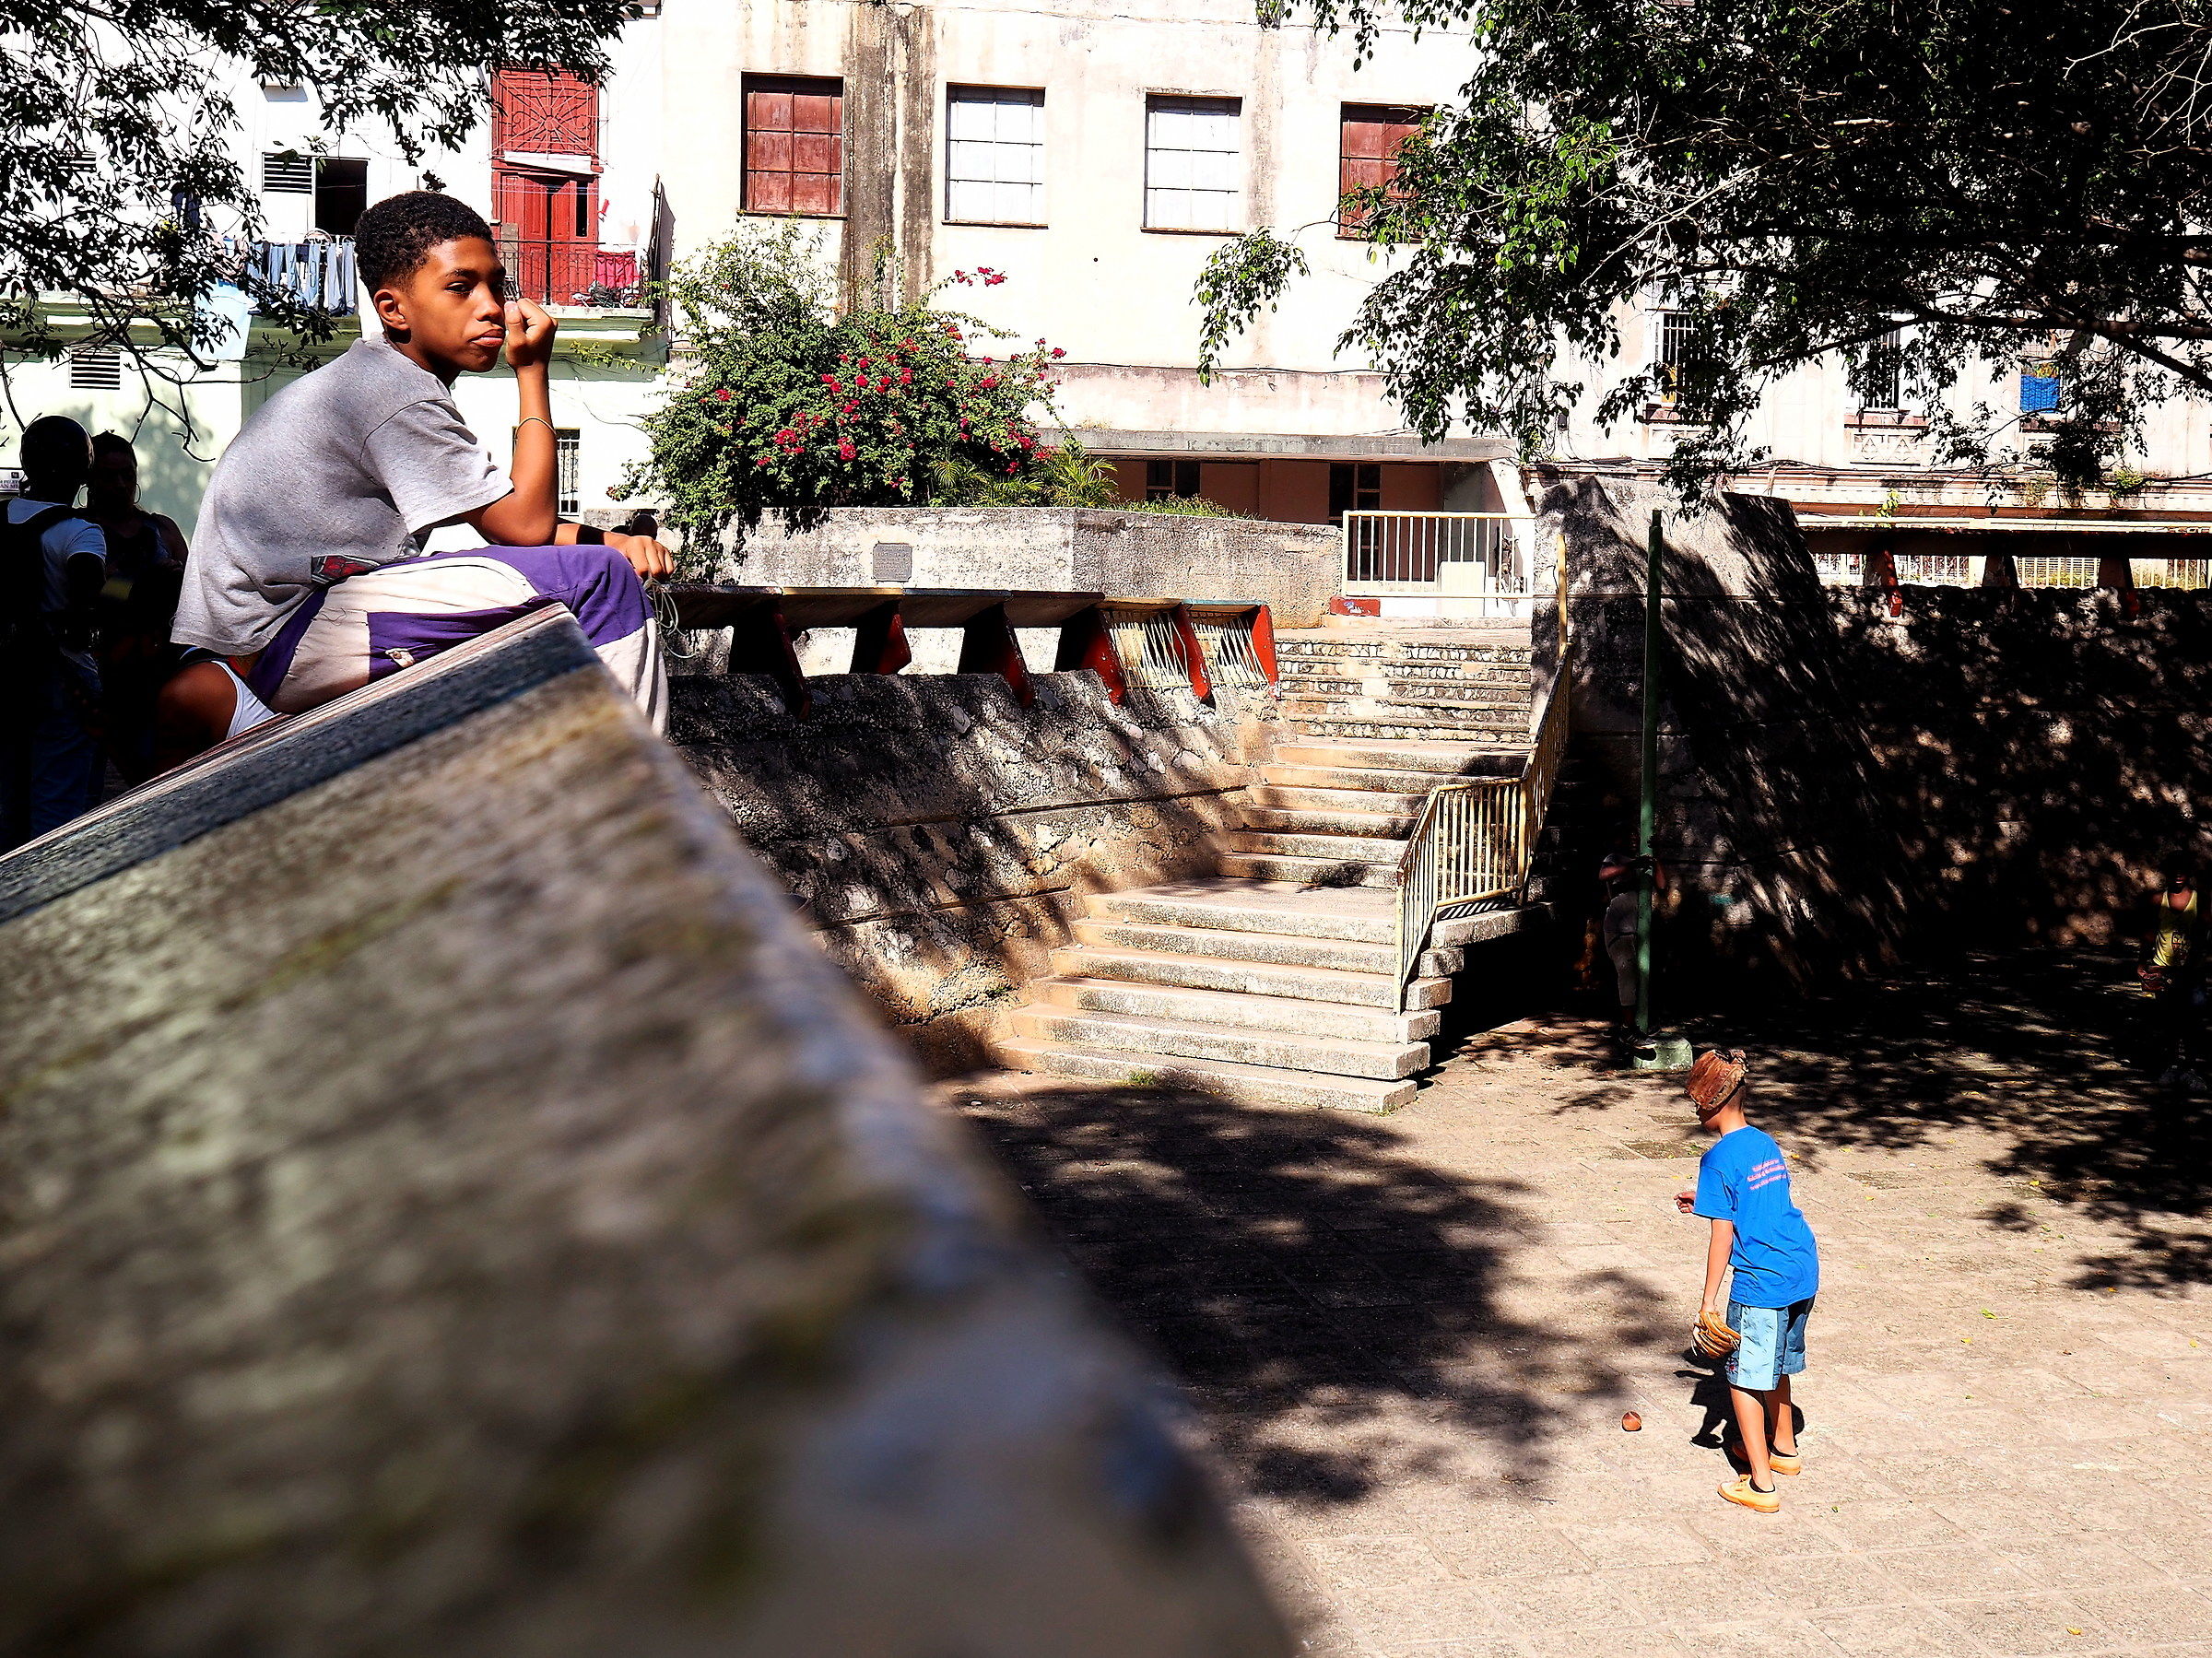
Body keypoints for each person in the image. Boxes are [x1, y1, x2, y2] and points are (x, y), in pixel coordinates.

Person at [171, 190, 673, 742]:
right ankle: (632, 806)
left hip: (279, 631)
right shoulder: (393, 393)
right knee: (600, 583)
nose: (491, 307)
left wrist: (606, 538)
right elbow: (525, 528)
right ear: (393, 309)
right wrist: (532, 374)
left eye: (496, 286)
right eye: (461, 288)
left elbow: (498, 515)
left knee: (586, 566)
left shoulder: (376, 379)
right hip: (283, 636)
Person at [1673, 1048, 1820, 1514]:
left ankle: (1759, 1484)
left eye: (1696, 1103)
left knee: (1742, 1378)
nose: (1695, 1111)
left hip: (1762, 1280)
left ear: (1712, 1104)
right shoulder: (1762, 1141)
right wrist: (1707, 1199)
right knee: (1775, 1364)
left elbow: (1723, 1237)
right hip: (1801, 1266)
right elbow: (1756, 1198)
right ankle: (1784, 1451)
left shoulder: (1716, 1157)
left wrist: (1708, 1302)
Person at [3, 417, 109, 849]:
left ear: (26, 464)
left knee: (6, 802)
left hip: (3, 673)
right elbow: (90, 585)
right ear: (84, 473)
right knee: (57, 807)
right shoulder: (79, 531)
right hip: (61, 678)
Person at [84, 431, 189, 780]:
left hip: (161, 667)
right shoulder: (79, 531)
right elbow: (87, 598)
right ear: (89, 479)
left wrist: (174, 578)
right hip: (101, 674)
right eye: (108, 475)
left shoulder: (161, 528)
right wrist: (139, 580)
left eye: (128, 475)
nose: (120, 484)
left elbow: (195, 593)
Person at [2138, 869, 2206, 1089]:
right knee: (2169, 1021)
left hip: (2191, 971)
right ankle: (2171, 1066)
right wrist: (2143, 961)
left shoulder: (2202, 900)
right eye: (2173, 869)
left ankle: (2191, 1070)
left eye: (2183, 869)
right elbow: (2150, 933)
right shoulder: (2158, 899)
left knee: (2192, 1021)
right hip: (2163, 968)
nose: (2178, 874)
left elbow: (2203, 935)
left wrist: (2192, 967)